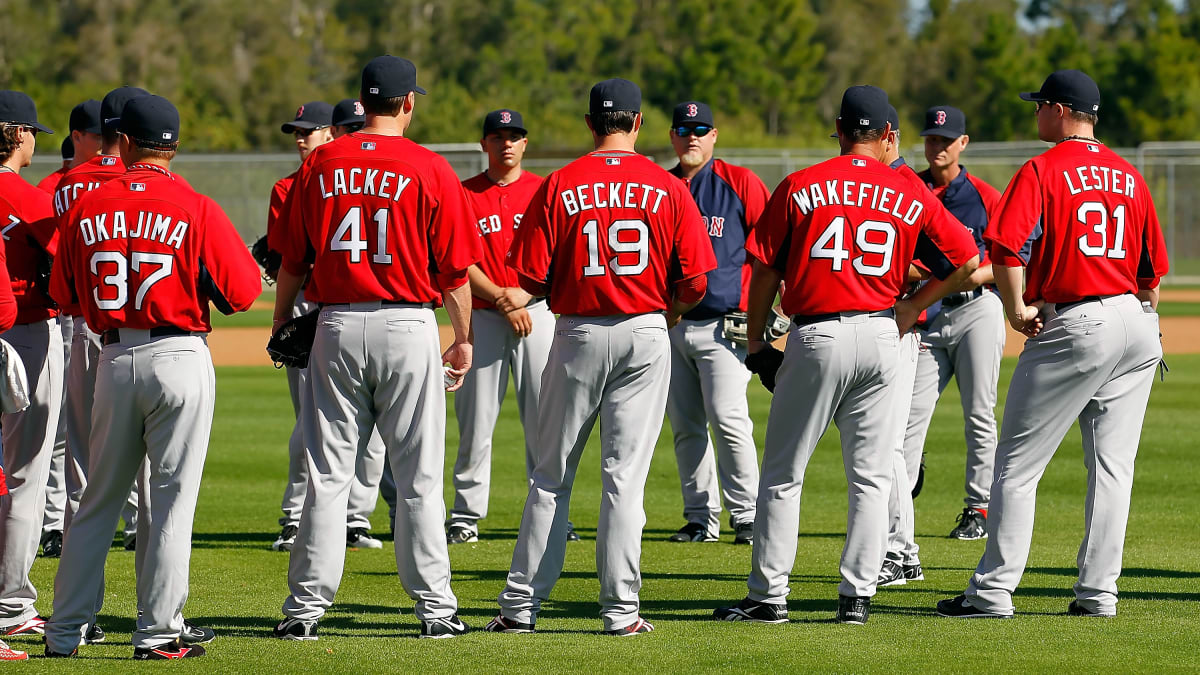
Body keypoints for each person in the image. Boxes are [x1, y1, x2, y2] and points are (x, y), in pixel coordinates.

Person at [713, 85, 978, 626]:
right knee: (874, 475)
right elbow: (968, 259)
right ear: (887, 137)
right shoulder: (906, 188)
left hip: (819, 335)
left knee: (785, 472)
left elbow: (764, 267)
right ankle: (856, 597)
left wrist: (760, 341)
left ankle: (768, 596)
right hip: (883, 335)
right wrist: (915, 305)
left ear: (838, 130)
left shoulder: (801, 183)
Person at [488, 78, 717, 637]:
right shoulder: (668, 186)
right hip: (644, 330)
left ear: (591, 123)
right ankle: (620, 613)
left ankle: (520, 609)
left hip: (578, 332)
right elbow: (695, 281)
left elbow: (531, 276)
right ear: (638, 123)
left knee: (550, 476)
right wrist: (661, 318)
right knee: (623, 481)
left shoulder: (562, 181)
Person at [937, 70, 1168, 619]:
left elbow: (1006, 248)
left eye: (1040, 105)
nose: (1035, 113)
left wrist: (1017, 309)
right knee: (1113, 469)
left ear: (1063, 111)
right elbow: (1151, 275)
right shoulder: (1130, 176)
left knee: (1016, 466)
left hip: (1078, 321)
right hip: (1135, 324)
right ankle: (1098, 593)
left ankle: (992, 593)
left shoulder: (1043, 168)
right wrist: (1133, 319)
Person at [271, 55, 480, 641]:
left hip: (335, 323)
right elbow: (454, 272)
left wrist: (283, 316)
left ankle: (305, 611)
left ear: (361, 103)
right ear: (408, 102)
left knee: (328, 473)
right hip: (407, 325)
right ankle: (436, 611)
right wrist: (462, 338)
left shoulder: (321, 164)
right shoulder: (431, 167)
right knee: (417, 477)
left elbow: (293, 259)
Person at [44, 94, 260, 659]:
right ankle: (159, 631)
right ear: (174, 145)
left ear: (126, 141)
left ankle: (64, 631)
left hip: (112, 357)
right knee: (169, 503)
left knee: (96, 501)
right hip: (180, 355)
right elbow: (240, 294)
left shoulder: (84, 207)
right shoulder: (195, 205)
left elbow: (63, 295)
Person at [267, 101, 386, 552]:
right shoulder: (287, 187)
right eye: (296, 131)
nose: (301, 138)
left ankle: (356, 518)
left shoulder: (346, 176)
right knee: (310, 424)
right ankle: (296, 517)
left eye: (309, 130)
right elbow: (288, 255)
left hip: (343, 301)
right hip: (310, 302)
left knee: (370, 427)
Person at [445, 108, 558, 545]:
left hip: (538, 313)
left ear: (525, 143)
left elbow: (556, 255)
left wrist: (523, 296)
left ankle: (550, 510)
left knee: (545, 420)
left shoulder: (545, 190)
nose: (506, 143)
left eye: (515, 136)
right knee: (475, 422)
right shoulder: (465, 193)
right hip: (483, 318)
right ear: (484, 144)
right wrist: (501, 297)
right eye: (498, 136)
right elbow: (458, 259)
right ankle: (466, 515)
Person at [897, 105, 1006, 542]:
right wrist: (933, 274)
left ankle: (978, 508)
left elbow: (1009, 258)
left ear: (963, 144)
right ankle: (896, 512)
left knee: (979, 413)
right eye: (930, 139)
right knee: (907, 417)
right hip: (925, 316)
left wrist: (969, 274)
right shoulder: (909, 189)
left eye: (945, 140)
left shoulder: (983, 196)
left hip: (975, 308)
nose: (936, 146)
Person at [663, 100, 765, 545]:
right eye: (684, 129)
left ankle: (747, 515)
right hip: (669, 324)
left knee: (728, 418)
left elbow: (768, 250)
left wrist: (761, 309)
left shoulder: (739, 181)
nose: (692, 137)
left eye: (700, 129)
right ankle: (700, 517)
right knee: (686, 425)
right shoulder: (661, 185)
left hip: (725, 326)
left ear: (714, 135)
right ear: (672, 136)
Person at [53, 87, 147, 555]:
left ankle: (77, 578)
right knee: (149, 454)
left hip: (80, 323)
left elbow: (60, 271)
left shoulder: (70, 182)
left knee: (80, 452)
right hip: (145, 328)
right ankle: (141, 537)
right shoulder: (151, 183)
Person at [0, 89, 64, 640]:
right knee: (25, 476)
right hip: (24, 335)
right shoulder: (31, 199)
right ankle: (12, 604)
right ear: (18, 133)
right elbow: (66, 272)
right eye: (30, 133)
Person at [40, 98, 103, 558]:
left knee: (79, 436)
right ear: (76, 137)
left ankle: (127, 523)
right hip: (76, 319)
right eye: (97, 134)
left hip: (82, 319)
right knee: (64, 430)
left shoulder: (72, 186)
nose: (105, 142)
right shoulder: (55, 185)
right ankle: (54, 523)